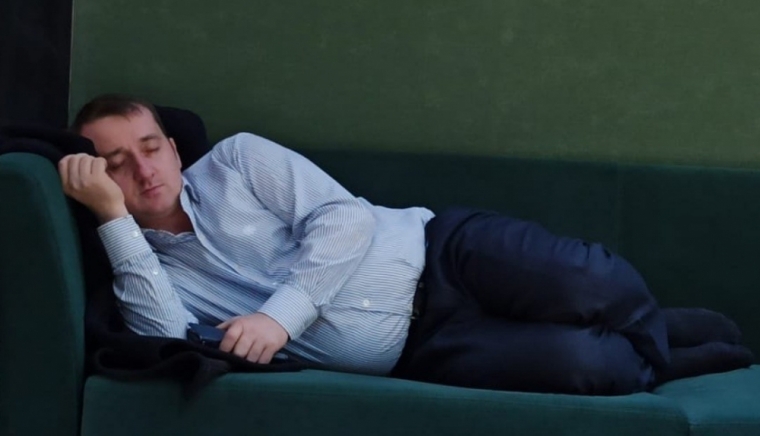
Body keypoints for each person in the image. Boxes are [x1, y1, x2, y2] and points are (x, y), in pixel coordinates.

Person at [58, 94, 750, 395]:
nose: (144, 169)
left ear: (173, 147)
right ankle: (668, 349)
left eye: (151, 147)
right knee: (587, 366)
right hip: (423, 351)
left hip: (442, 251)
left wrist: (279, 318)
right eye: (116, 163)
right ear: (97, 180)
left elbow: (343, 219)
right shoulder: (146, 272)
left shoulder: (238, 162)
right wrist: (114, 219)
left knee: (592, 282)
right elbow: (166, 338)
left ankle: (658, 329)